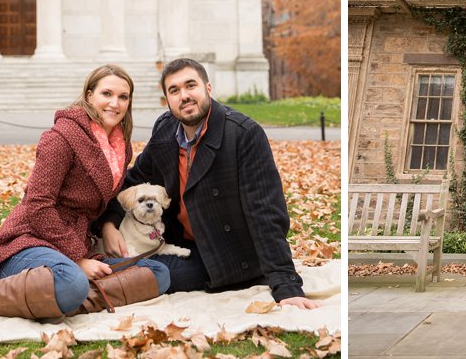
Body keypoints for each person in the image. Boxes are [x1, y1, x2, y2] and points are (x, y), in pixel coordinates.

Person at [0, 65, 170, 325]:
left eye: (123, 97)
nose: (115, 103)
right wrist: (77, 259)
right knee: (71, 283)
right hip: (32, 238)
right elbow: (38, 205)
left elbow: (103, 201)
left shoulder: (119, 147)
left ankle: (40, 291)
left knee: (157, 273)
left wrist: (107, 225)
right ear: (88, 96)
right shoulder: (60, 137)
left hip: (75, 242)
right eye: (106, 93)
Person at [98, 57, 318, 309]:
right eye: (174, 90)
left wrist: (286, 284)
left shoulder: (243, 134)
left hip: (227, 254)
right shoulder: (166, 130)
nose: (184, 96)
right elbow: (133, 180)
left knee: (152, 272)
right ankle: (75, 280)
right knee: (131, 261)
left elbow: (265, 212)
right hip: (180, 243)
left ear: (208, 88)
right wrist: (108, 223)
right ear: (167, 100)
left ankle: (83, 294)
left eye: (191, 86)